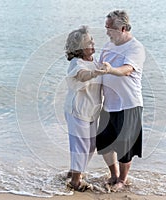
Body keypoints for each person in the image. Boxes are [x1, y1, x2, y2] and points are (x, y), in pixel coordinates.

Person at [96, 10, 146, 191]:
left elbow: (127, 70)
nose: (107, 32)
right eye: (106, 27)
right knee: (103, 143)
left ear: (123, 28)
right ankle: (113, 175)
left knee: (126, 147)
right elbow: (99, 70)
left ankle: (122, 180)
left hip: (129, 104)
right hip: (108, 105)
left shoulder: (136, 48)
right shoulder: (107, 46)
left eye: (110, 28)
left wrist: (111, 70)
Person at [64, 25, 106, 192]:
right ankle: (75, 181)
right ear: (79, 47)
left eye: (92, 39)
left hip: (91, 111)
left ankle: (74, 171)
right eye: (89, 41)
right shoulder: (77, 63)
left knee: (91, 146)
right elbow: (82, 75)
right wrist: (96, 73)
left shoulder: (94, 62)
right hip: (77, 110)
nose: (93, 43)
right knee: (81, 146)